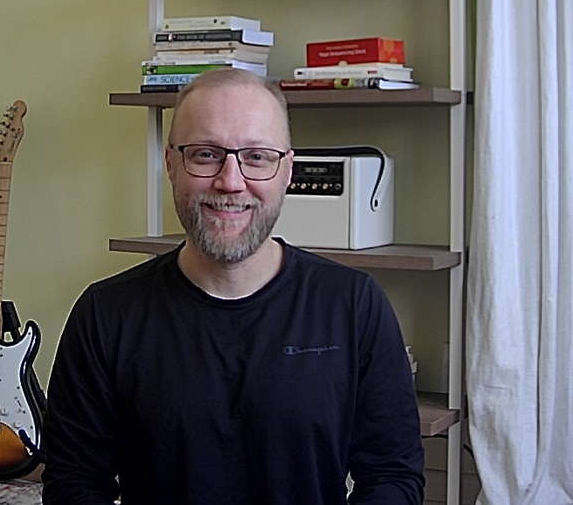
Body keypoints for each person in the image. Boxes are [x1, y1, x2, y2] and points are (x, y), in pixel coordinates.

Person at [41, 69, 425, 505]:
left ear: (287, 172)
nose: (230, 181)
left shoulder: (353, 306)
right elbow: (73, 482)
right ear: (171, 164)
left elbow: (393, 476)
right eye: (205, 154)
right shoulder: (106, 315)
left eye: (257, 156)